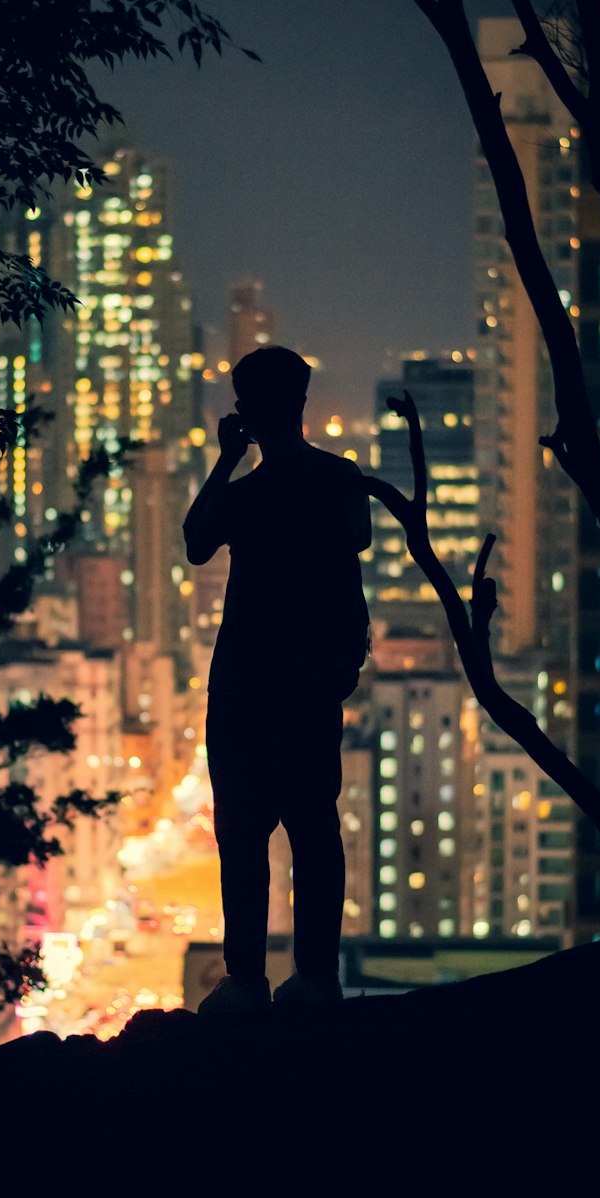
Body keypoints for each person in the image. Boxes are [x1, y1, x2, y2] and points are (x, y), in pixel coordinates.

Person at [183, 346, 371, 1013]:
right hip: (295, 684)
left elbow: (197, 538)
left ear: (249, 413)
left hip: (251, 685)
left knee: (249, 835)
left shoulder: (253, 494)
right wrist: (345, 661)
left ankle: (251, 978)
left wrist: (228, 457)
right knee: (305, 830)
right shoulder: (337, 480)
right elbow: (354, 566)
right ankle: (309, 977)